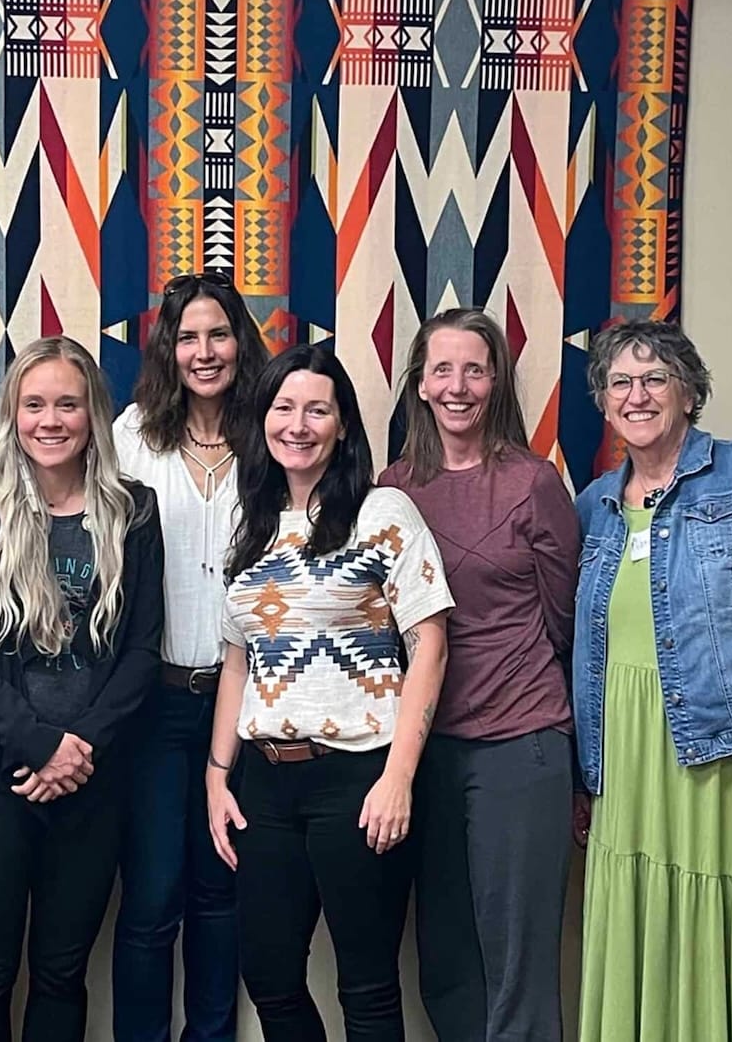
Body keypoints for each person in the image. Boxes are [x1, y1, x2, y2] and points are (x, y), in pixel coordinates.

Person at [573, 319, 732, 1041]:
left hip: (730, 751)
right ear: (604, 402)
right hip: (625, 763)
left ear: (689, 393)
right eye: (620, 382)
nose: (637, 395)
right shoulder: (593, 506)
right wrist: (582, 775)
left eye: (655, 378)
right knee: (645, 933)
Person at [206, 344, 454, 1042]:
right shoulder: (250, 524)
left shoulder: (382, 511)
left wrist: (398, 778)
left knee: (367, 988)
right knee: (270, 978)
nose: (298, 424)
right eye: (283, 407)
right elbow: (238, 661)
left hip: (360, 776)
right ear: (262, 419)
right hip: (265, 784)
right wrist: (217, 776)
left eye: (317, 410)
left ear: (343, 425)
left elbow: (430, 645)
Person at [0, 335, 165, 1041]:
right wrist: (37, 745)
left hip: (90, 779)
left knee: (63, 974)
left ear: (94, 414)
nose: (51, 421)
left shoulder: (135, 511)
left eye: (68, 404)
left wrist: (77, 748)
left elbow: (141, 652)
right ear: (13, 414)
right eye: (34, 405)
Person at [378, 307, 578, 1041]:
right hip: (427, 752)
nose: (457, 386)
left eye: (475, 370)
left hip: (522, 744)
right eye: (443, 370)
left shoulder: (534, 483)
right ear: (420, 384)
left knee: (516, 961)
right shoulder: (393, 489)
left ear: (495, 383)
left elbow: (565, 621)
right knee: (445, 960)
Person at [111, 270, 268, 1042]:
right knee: (151, 897)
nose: (204, 352)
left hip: (247, 704)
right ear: (167, 351)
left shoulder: (271, 435)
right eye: (188, 338)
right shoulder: (133, 437)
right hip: (154, 701)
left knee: (220, 891)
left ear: (241, 343)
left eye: (219, 334)